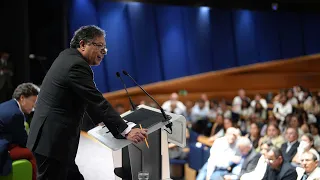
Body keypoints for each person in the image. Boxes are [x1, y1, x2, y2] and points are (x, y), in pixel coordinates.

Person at [26, 25, 147, 180]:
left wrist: (102, 123)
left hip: (53, 142)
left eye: (105, 48)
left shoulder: (67, 56)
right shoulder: (76, 65)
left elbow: (86, 100)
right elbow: (95, 99)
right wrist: (126, 130)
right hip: (53, 144)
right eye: (100, 46)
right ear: (83, 44)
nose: (103, 52)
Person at [0, 83, 39, 180]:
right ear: (22, 98)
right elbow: (24, 141)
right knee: (32, 154)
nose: (34, 106)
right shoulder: (16, 114)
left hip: (4, 140)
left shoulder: (8, 105)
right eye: (33, 101)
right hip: (2, 149)